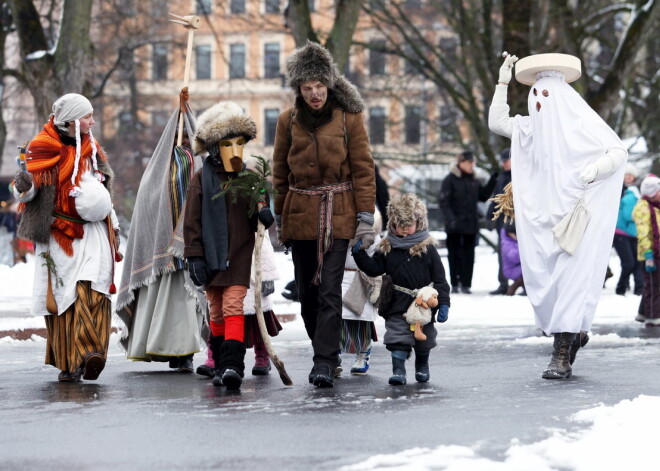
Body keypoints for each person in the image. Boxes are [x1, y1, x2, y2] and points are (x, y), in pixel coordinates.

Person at [488, 52, 627, 379]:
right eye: (535, 95)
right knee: (548, 283)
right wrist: (502, 82)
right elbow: (497, 123)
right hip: (541, 222)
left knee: (571, 279)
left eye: (547, 95)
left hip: (578, 221)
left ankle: (560, 354)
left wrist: (594, 169)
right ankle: (571, 333)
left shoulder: (583, 125)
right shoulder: (528, 131)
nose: (539, 103)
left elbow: (618, 150)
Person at [272, 41, 376, 388]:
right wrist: (279, 221)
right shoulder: (287, 121)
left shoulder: (349, 118)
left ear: (329, 84)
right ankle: (323, 351)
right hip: (300, 215)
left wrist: (365, 216)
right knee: (308, 294)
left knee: (330, 289)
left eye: (320, 86)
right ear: (298, 89)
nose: (315, 94)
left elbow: (363, 169)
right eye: (307, 88)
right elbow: (279, 174)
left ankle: (324, 361)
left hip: (339, 214)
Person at [12, 93, 120, 382]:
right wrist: (22, 184)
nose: (93, 121)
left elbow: (103, 185)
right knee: (64, 298)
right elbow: (29, 191)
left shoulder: (92, 146)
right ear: (72, 119)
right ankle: (69, 363)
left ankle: (92, 352)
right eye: (87, 116)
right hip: (60, 235)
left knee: (93, 290)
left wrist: (113, 221)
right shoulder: (42, 147)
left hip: (95, 232)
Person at [183, 101, 274, 391]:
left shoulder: (250, 178)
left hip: (238, 255)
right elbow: (192, 222)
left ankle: (233, 365)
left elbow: (261, 202)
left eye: (239, 143)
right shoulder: (201, 181)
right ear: (213, 147)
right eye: (226, 144)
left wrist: (264, 210)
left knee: (234, 305)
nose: (234, 150)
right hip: (211, 255)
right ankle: (221, 365)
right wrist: (194, 256)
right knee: (217, 311)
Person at [116, 97, 205, 373]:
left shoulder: (196, 162)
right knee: (170, 300)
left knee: (183, 301)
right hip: (163, 254)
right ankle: (172, 351)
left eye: (191, 134)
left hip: (187, 249)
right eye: (183, 133)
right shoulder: (162, 166)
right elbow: (150, 204)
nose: (187, 139)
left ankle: (182, 352)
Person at [352, 193, 450, 385]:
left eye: (409, 225)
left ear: (419, 223)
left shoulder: (427, 248)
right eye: (400, 226)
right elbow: (374, 269)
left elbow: (440, 279)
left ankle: (422, 366)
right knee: (397, 336)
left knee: (425, 338)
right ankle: (398, 371)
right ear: (393, 225)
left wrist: (444, 304)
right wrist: (360, 255)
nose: (405, 231)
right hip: (396, 301)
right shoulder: (387, 248)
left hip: (423, 304)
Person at [438, 151, 497, 294]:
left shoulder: (473, 180)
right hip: (454, 226)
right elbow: (444, 202)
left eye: (474, 163)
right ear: (461, 162)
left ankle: (466, 284)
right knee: (455, 255)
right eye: (470, 163)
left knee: (469, 255)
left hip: (471, 225)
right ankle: (455, 283)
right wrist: (450, 219)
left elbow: (482, 196)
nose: (472, 166)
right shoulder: (450, 180)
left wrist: (492, 181)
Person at [340, 229, 382, 376]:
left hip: (362, 278)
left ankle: (364, 353)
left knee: (361, 319)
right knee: (336, 318)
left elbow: (376, 259)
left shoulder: (372, 235)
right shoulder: (339, 229)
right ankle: (334, 355)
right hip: (339, 275)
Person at [242, 227, 283, 376]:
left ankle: (262, 355)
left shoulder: (255, 210)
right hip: (232, 267)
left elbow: (264, 243)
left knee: (259, 318)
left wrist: (268, 275)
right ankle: (233, 358)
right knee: (232, 316)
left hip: (254, 270)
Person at [632, 175, 660, 327]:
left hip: (657, 252)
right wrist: (648, 255)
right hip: (649, 253)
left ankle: (643, 313)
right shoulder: (643, 208)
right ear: (651, 192)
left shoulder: (655, 206)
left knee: (653, 283)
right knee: (654, 285)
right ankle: (652, 316)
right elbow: (643, 234)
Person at [613, 163, 643, 296]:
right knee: (629, 263)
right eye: (626, 175)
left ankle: (633, 288)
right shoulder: (620, 190)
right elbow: (628, 214)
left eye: (630, 175)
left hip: (631, 232)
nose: (628, 177)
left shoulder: (634, 192)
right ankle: (622, 288)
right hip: (622, 231)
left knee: (633, 262)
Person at [486, 148, 512, 295]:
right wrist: (490, 216)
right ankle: (503, 284)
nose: (503, 164)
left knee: (521, 254)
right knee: (503, 254)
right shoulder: (502, 177)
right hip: (503, 222)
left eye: (505, 161)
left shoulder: (522, 175)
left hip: (518, 222)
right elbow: (496, 198)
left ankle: (524, 285)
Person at [500, 221, 524, 295]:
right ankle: (512, 289)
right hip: (511, 269)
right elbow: (514, 258)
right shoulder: (507, 243)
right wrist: (523, 251)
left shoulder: (512, 241)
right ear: (509, 233)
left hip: (516, 268)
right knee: (527, 272)